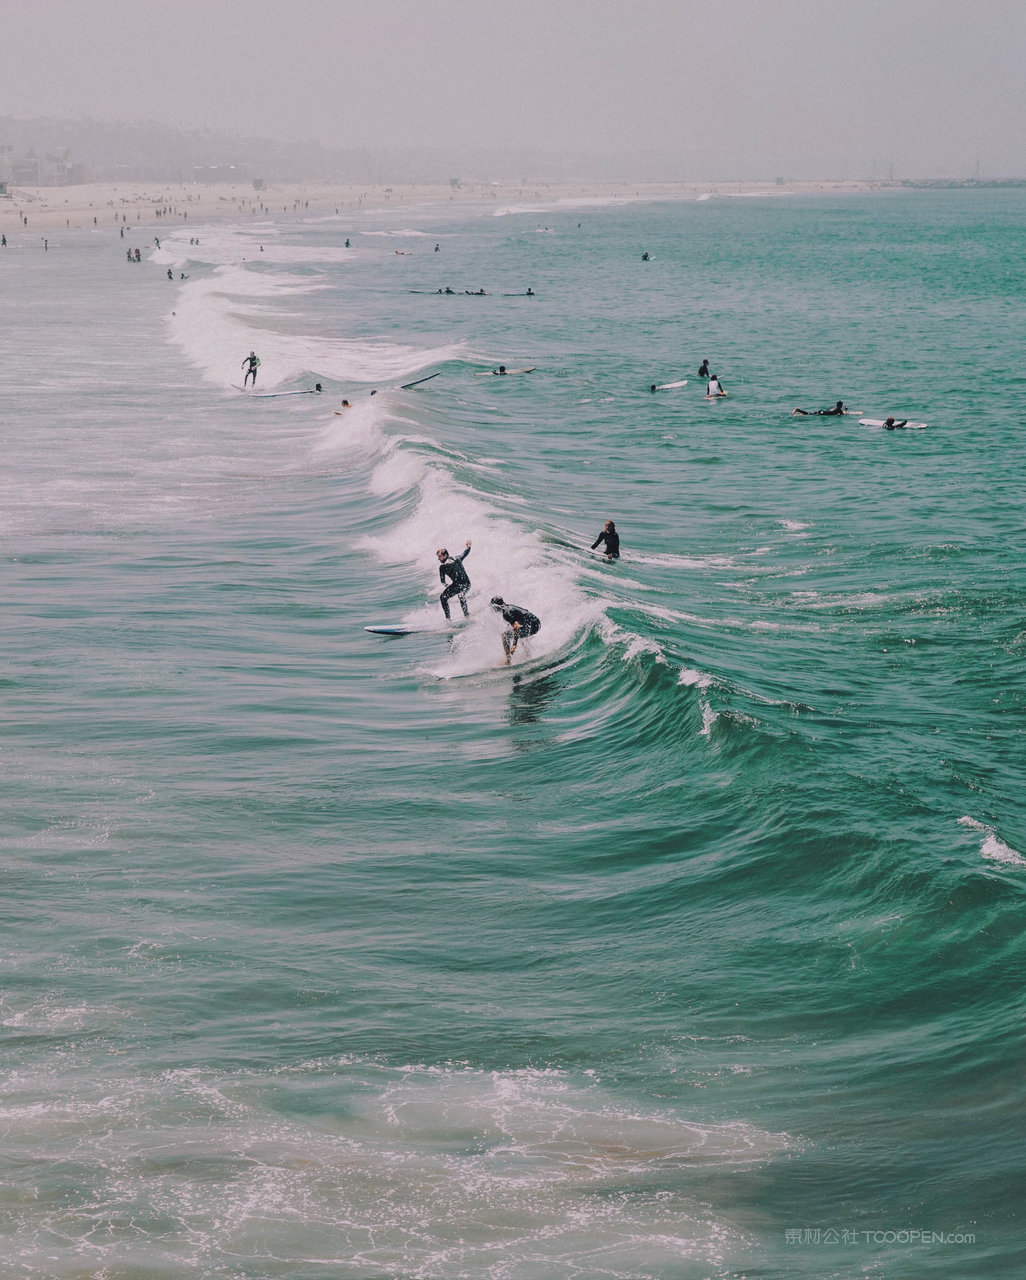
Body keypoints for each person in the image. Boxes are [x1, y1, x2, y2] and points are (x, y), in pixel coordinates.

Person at [490, 597, 541, 664]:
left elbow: (516, 627)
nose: (493, 609)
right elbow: (524, 613)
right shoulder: (509, 606)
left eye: (493, 607)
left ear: (497, 606)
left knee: (504, 635)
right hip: (537, 623)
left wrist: (514, 645)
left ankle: (508, 661)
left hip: (533, 627)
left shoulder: (506, 613)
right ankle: (528, 654)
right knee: (519, 633)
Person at [437, 541, 472, 619]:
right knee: (443, 597)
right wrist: (446, 585)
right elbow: (442, 581)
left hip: (466, 584)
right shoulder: (442, 567)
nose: (438, 559)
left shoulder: (457, 559)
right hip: (456, 585)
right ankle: (448, 619)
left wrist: (468, 547)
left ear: (445, 555)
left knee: (461, 595)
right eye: (438, 557)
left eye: (440, 557)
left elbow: (465, 553)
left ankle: (466, 615)